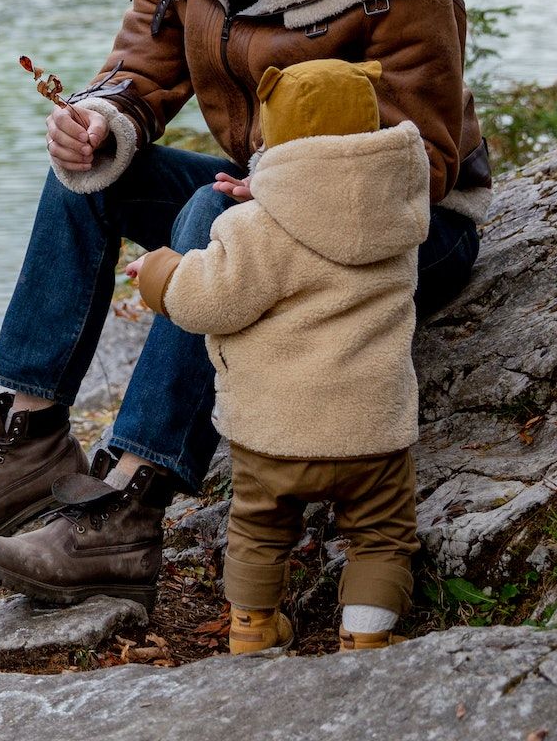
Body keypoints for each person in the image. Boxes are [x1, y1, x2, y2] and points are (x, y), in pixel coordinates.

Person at [0, 0, 491, 610]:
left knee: (207, 214)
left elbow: (429, 158)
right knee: (87, 178)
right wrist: (97, 124)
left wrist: (284, 189)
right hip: (264, 192)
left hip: (415, 228)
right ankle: (31, 436)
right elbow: (138, 77)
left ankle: (129, 508)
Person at [127, 58, 427, 654]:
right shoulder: (401, 219)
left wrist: (159, 272)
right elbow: (327, 210)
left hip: (274, 433)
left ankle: (253, 629)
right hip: (373, 430)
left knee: (259, 530)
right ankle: (366, 637)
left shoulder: (255, 225)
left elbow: (211, 299)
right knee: (382, 539)